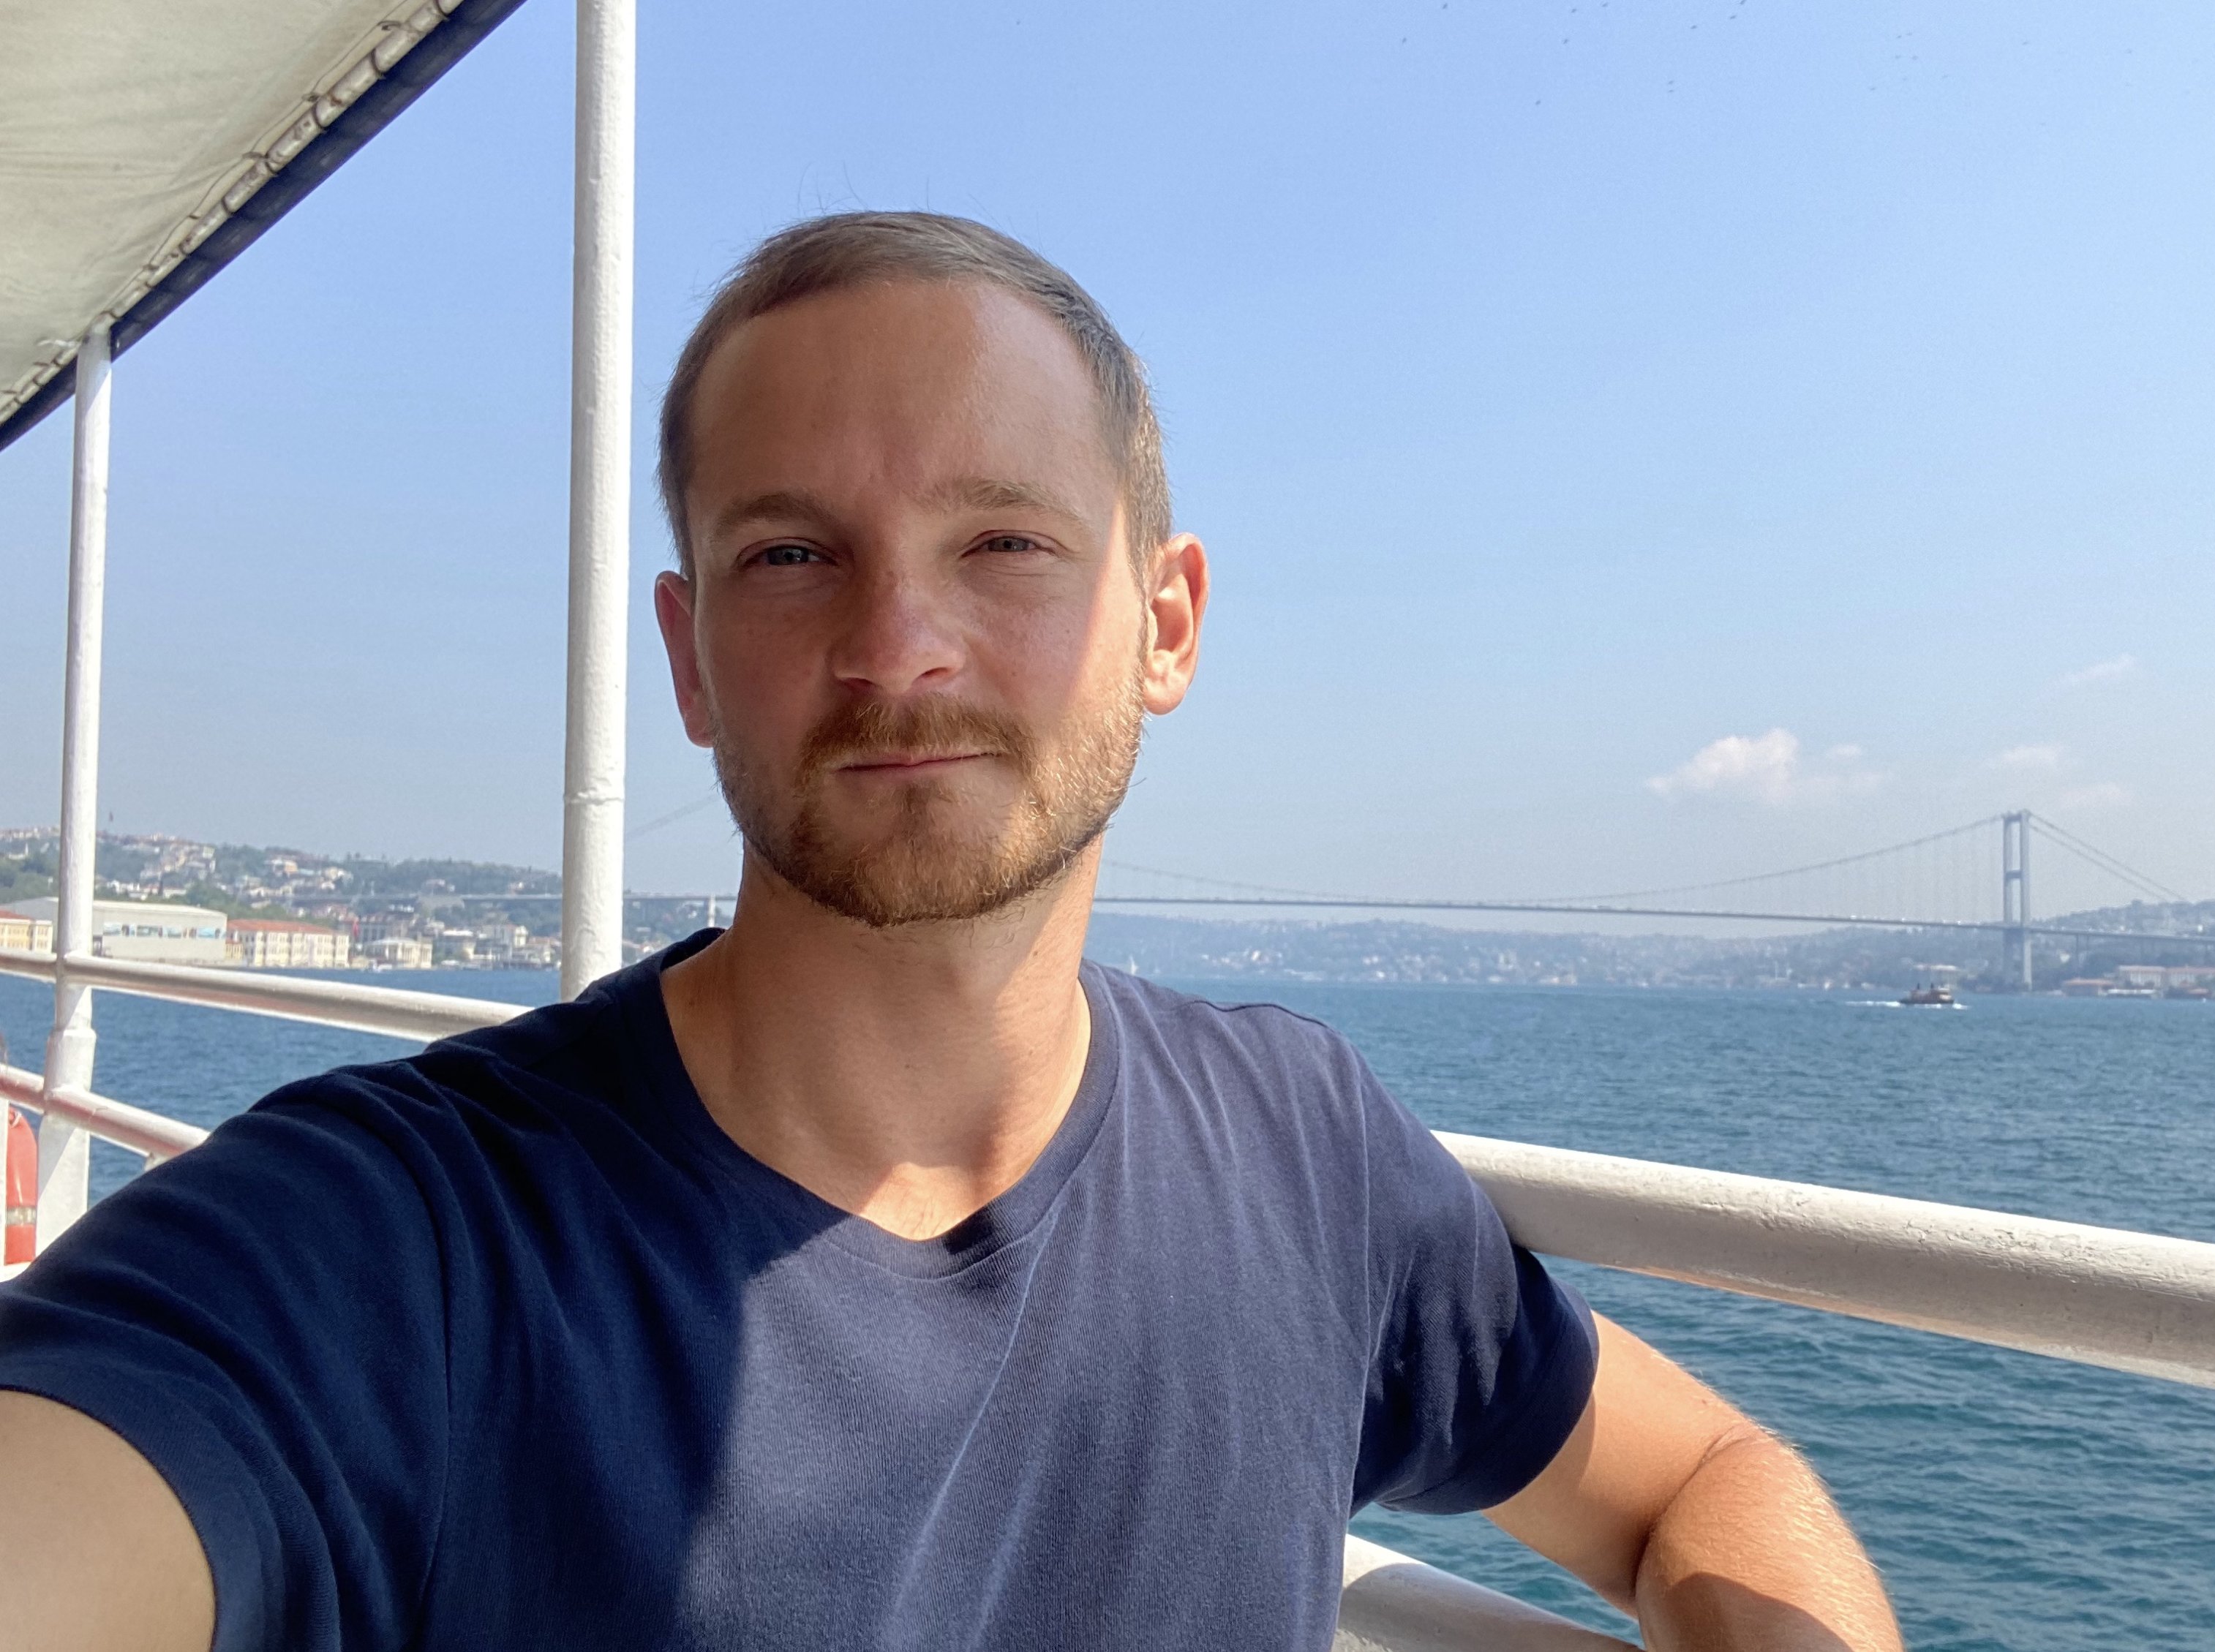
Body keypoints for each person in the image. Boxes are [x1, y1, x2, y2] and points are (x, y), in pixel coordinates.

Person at [0, 213, 1897, 1652]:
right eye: (791, 554)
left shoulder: (1306, 1154)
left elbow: (1707, 1478)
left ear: (1166, 624)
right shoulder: (392, 1246)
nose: (899, 645)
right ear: (689, 658)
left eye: (1004, 543)